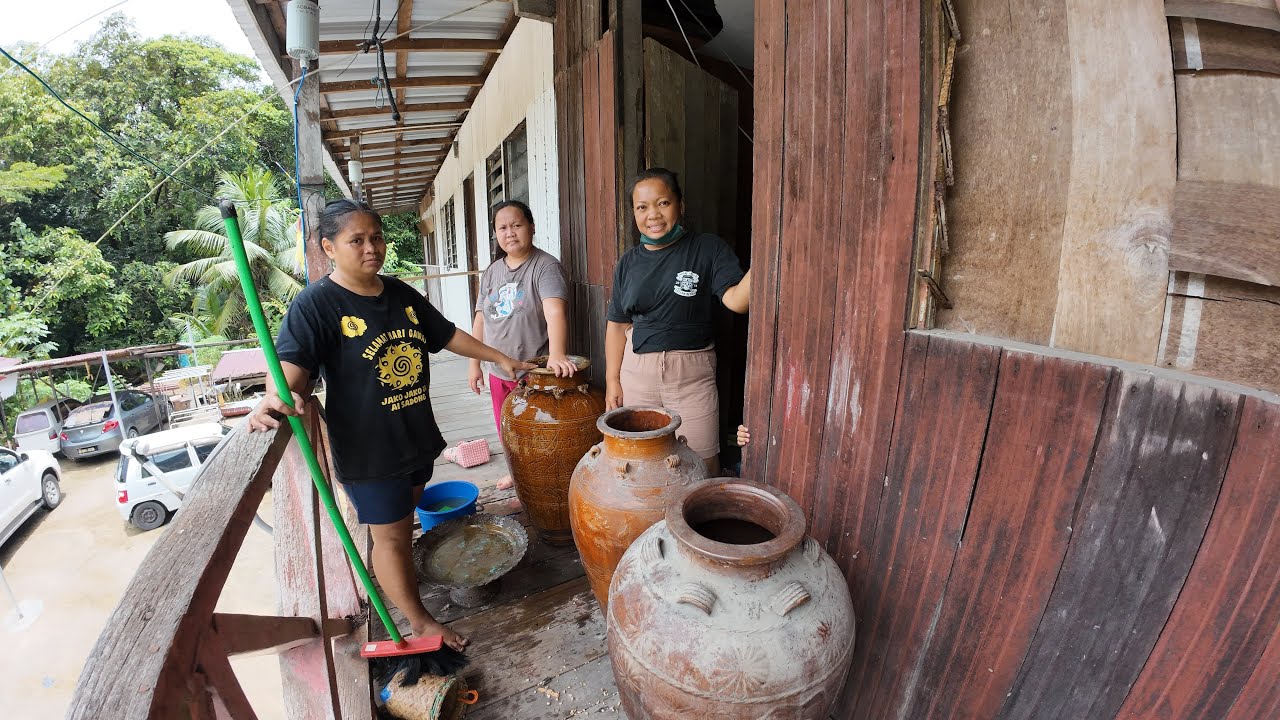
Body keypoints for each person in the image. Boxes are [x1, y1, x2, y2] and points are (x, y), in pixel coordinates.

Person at [247, 199, 532, 652]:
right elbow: (290, 368)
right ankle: (420, 622)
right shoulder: (315, 304)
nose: (371, 248)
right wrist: (273, 397)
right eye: (356, 240)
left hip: (415, 435)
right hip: (369, 449)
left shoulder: (398, 292)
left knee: (404, 518)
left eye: (376, 237)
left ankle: (405, 588)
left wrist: (499, 358)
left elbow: (446, 334)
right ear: (328, 247)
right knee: (392, 538)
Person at [605, 168, 752, 476]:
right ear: (634, 213)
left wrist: (766, 254)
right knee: (642, 466)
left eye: (663, 203)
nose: (653, 215)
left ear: (680, 205)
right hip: (637, 374)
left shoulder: (708, 249)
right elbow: (617, 325)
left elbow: (737, 301)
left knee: (702, 463)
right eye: (642, 207)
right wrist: (612, 381)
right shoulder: (628, 263)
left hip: (692, 377)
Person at [469, 200, 575, 431]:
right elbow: (481, 319)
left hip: (532, 373)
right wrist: (474, 363)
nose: (510, 233)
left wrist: (557, 354)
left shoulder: (546, 266)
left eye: (516, 225)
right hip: (497, 371)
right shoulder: (492, 271)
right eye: (502, 228)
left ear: (532, 227)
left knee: (535, 435)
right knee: (506, 431)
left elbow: (555, 312)